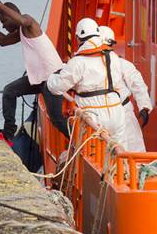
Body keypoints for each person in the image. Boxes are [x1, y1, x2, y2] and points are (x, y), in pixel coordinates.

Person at [0, 0, 66, 140]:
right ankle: (9, 133)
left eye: (4, 22)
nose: (4, 26)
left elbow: (23, 21)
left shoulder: (29, 23)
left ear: (13, 15)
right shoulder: (21, 32)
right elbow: (2, 41)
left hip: (52, 78)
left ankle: (76, 141)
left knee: (57, 120)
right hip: (39, 80)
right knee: (9, 91)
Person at [47, 18, 128, 149]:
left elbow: (56, 88)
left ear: (78, 38)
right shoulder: (112, 56)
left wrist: (52, 77)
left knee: (92, 154)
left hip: (92, 113)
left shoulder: (78, 62)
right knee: (120, 153)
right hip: (116, 110)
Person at [100, 25, 151, 152]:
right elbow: (137, 84)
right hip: (119, 112)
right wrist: (144, 107)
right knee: (134, 151)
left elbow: (137, 84)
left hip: (110, 113)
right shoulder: (122, 64)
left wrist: (144, 106)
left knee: (130, 148)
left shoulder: (86, 65)